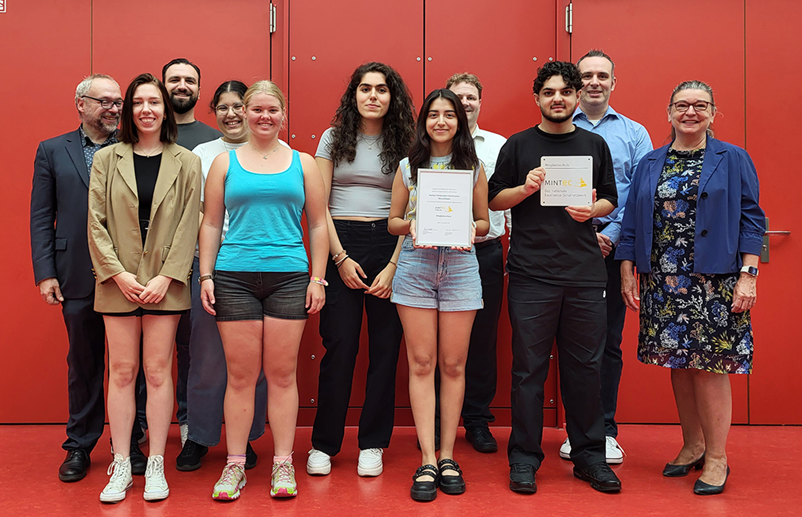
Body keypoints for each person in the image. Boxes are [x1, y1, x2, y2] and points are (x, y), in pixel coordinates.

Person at [617, 80, 765, 495]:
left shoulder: (733, 159)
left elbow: (752, 220)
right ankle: (693, 444)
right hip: (664, 280)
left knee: (710, 367)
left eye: (701, 105)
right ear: (668, 113)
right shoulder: (650, 162)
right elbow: (631, 224)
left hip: (715, 281)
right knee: (678, 364)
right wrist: (627, 270)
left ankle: (717, 458)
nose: (691, 112)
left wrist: (748, 274)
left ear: (713, 114)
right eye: (682, 105)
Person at [488, 61, 621, 494]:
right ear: (538, 98)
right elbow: (494, 200)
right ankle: (524, 458)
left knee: (585, 368)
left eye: (566, 91)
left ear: (578, 96)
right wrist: (525, 189)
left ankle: (589, 456)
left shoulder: (594, 144)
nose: (558, 98)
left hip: (584, 275)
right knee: (528, 371)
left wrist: (592, 210)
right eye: (549, 92)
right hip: (531, 275)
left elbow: (609, 199)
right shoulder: (519, 145)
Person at [199, 80, 328, 500]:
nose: (264, 116)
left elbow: (318, 224)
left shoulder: (303, 163)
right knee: (240, 376)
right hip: (233, 275)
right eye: (256, 110)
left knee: (282, 375)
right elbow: (211, 224)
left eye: (272, 110)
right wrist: (205, 276)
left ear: (283, 115)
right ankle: (235, 466)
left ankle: (283, 462)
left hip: (289, 276)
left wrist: (317, 278)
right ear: (245, 114)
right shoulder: (224, 163)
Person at [88, 73, 201, 502]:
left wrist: (166, 276)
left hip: (165, 284)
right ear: (129, 111)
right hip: (117, 281)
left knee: (158, 372)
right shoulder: (107, 158)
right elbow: (94, 223)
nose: (147, 110)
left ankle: (156, 463)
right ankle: (120, 464)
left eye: (154, 102)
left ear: (165, 109)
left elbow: (191, 223)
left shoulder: (187, 161)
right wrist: (117, 274)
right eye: (138, 103)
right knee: (121, 371)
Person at [30, 74, 147, 482]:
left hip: (131, 274)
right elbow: (42, 216)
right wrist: (46, 273)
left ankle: (130, 443)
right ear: (80, 103)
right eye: (105, 101)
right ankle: (79, 445)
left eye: (119, 102)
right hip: (76, 271)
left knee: (130, 364)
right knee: (83, 361)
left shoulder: (136, 149)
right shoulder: (51, 150)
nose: (114, 108)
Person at [307, 62, 415, 478]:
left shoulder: (407, 141)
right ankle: (324, 444)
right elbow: (318, 206)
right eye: (365, 88)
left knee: (386, 351)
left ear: (393, 97)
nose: (373, 96)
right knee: (340, 348)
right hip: (341, 244)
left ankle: (373, 443)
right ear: (354, 95)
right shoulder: (334, 138)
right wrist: (339, 258)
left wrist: (393, 265)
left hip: (391, 245)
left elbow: (412, 209)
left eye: (382, 89)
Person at [388, 88, 490, 502]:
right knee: (422, 362)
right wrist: (410, 225)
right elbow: (392, 220)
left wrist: (472, 230)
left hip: (461, 269)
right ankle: (427, 458)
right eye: (434, 115)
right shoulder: (408, 167)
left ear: (459, 122)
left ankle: (449, 455)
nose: (442, 122)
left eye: (450, 115)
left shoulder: (473, 166)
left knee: (452, 364)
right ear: (423, 121)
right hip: (415, 267)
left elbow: (484, 222)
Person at [559, 50, 653, 464]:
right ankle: (574, 431)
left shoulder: (635, 134)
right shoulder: (558, 127)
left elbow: (639, 194)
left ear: (614, 83)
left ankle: (605, 430)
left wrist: (611, 236)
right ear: (576, 85)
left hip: (615, 251)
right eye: (587, 76)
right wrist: (581, 237)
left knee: (608, 343)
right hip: (565, 249)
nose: (594, 82)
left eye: (602, 76)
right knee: (569, 342)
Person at [177, 80, 272, 471]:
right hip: (213, 263)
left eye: (239, 106)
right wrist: (207, 267)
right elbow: (198, 212)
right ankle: (198, 436)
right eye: (224, 107)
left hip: (261, 265)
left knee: (255, 358)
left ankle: (246, 436)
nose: (232, 114)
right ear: (213, 111)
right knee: (207, 355)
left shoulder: (272, 153)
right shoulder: (202, 153)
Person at [445, 72, 508, 453]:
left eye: (471, 97)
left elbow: (505, 201)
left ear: (480, 102)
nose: (465, 103)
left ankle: (478, 420)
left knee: (483, 340)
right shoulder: (425, 145)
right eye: (458, 97)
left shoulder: (498, 146)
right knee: (437, 343)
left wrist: (510, 251)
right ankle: (439, 420)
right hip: (431, 253)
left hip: (484, 252)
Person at [161, 58, 222, 447]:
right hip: (152, 260)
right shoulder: (143, 135)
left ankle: (190, 423)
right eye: (174, 79)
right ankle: (139, 431)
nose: (182, 86)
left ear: (200, 91)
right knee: (151, 347)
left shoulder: (212, 141)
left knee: (196, 346)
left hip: (200, 260)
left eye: (189, 80)